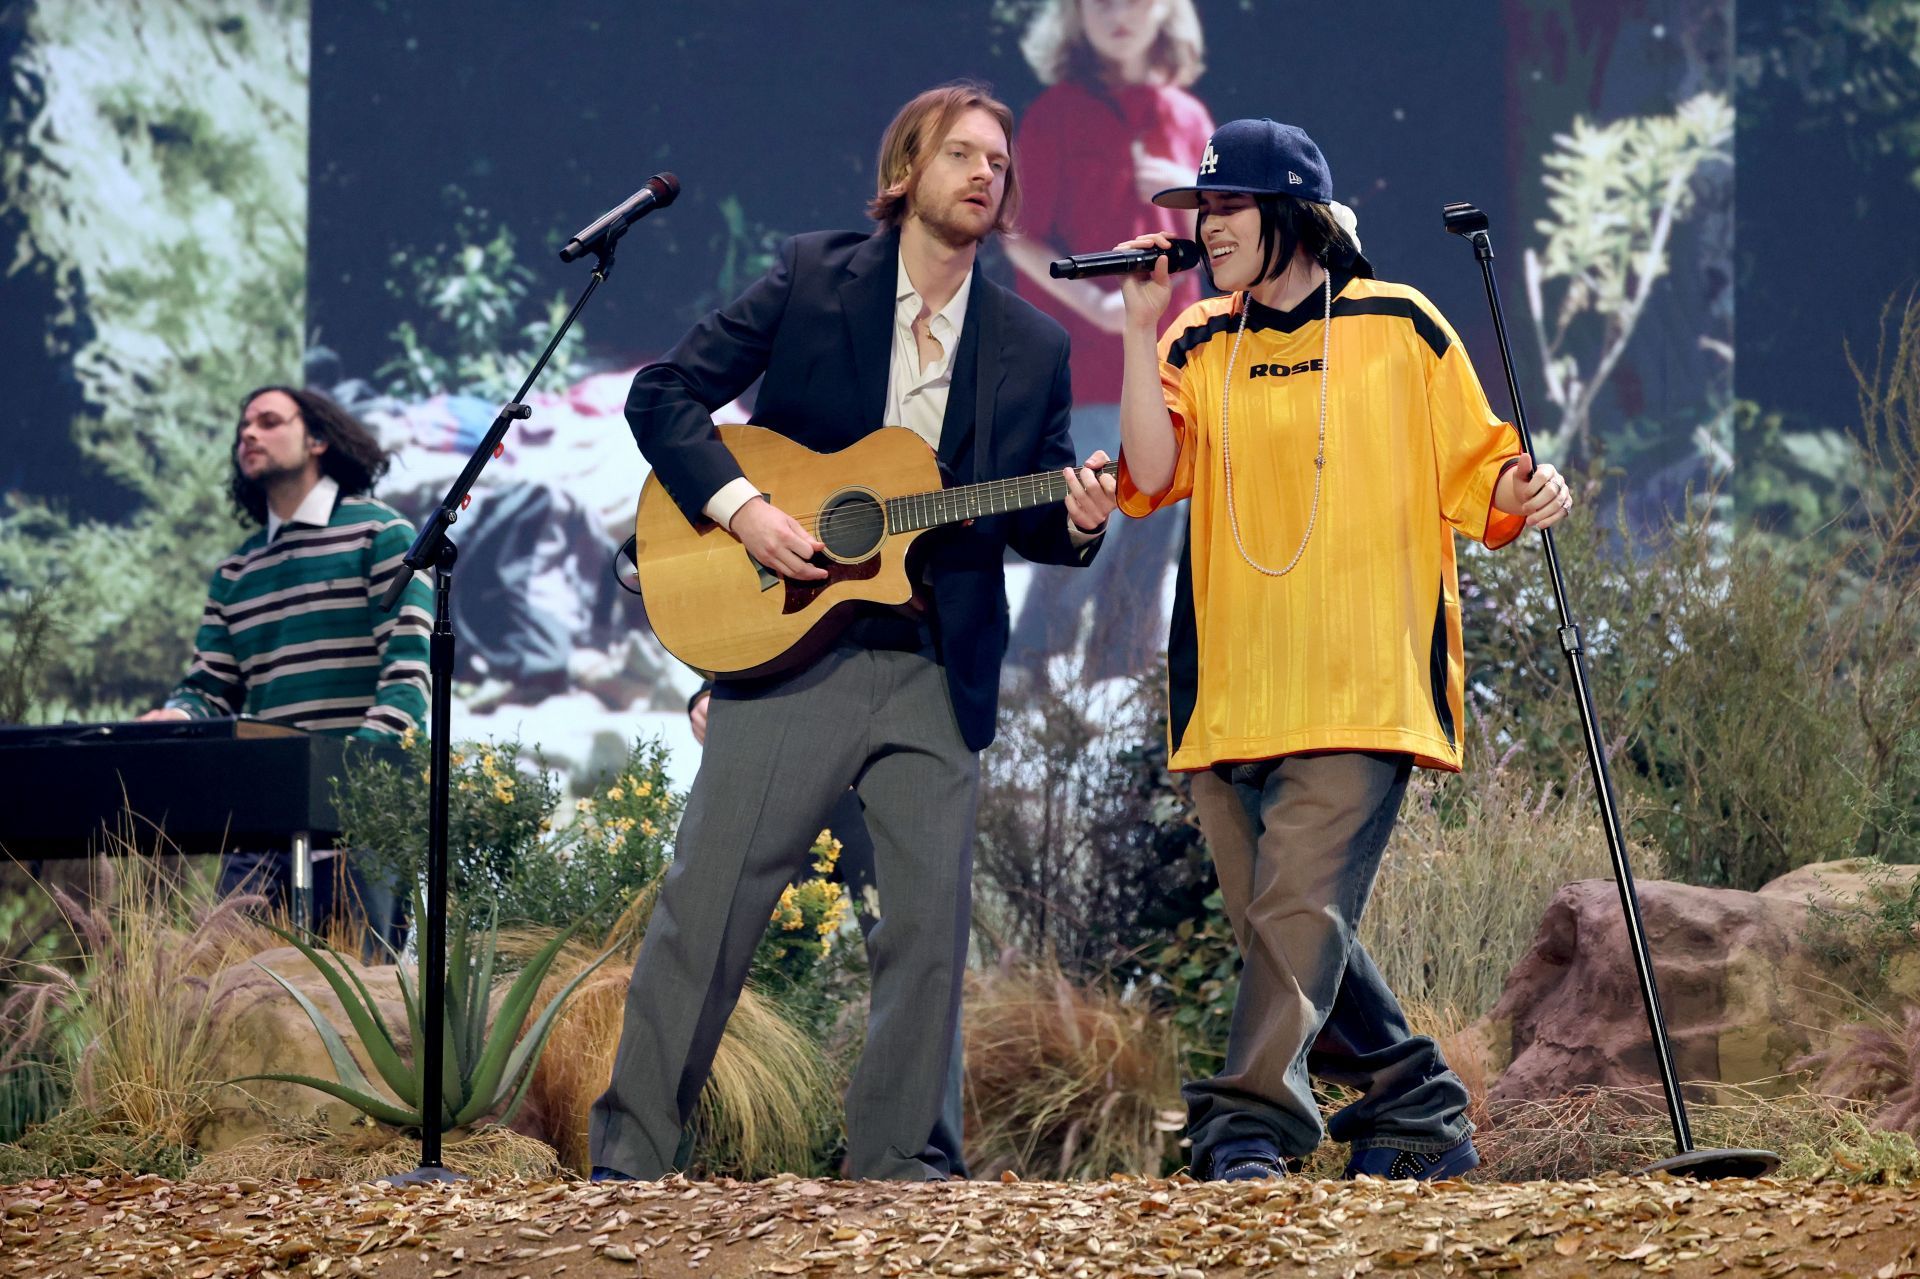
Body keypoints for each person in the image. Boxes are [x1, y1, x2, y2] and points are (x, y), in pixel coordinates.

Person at [589, 82, 1118, 1182]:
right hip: (792, 647)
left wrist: (1075, 517)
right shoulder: (812, 276)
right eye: (963, 154)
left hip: (934, 664)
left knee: (927, 935)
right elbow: (665, 395)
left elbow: (1028, 509)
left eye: (1000, 162)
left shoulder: (1030, 342)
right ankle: (631, 1165)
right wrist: (748, 510)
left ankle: (904, 1175)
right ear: (903, 175)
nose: (988, 174)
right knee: (708, 912)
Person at [1111, 119, 1575, 1181]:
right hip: (1230, 692)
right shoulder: (1195, 339)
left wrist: (1526, 487)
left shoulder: (1399, 325)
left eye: (1226, 208)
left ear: (1292, 215)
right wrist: (1138, 332)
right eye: (1201, 210)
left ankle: (1248, 1126)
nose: (1205, 227)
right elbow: (1149, 469)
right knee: (1280, 927)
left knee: (1292, 917)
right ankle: (1418, 1105)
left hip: (1364, 686)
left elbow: (1482, 468)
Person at [141, 385, 430, 947]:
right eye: (243, 426)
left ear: (317, 438)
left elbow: (408, 678)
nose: (248, 434)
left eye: (269, 421)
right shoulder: (235, 572)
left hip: (364, 824)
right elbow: (209, 687)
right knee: (245, 1002)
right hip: (260, 825)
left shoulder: (382, 535)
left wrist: (350, 777)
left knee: (362, 1009)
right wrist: (174, 715)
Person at [1002, 0, 1214, 681]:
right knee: (1098, 509)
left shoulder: (1190, 119)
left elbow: (1218, 246)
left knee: (1157, 531)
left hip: (1172, 361)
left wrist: (1192, 204)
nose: (1117, 13)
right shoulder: (1054, 112)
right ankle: (1030, 663)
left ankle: (1119, 680)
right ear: (1074, 18)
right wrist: (1091, 299)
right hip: (1086, 361)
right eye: (1099, 2)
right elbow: (1020, 237)